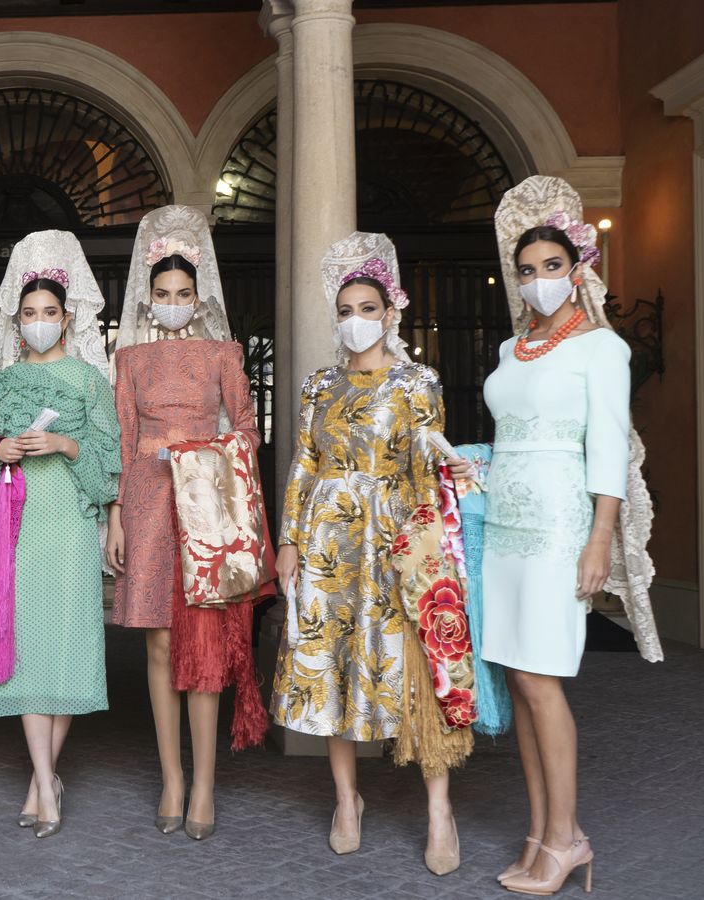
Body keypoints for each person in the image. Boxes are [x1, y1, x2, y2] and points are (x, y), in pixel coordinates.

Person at [476, 176, 662, 895]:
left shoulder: (601, 350)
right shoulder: (507, 348)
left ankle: (567, 837)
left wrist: (599, 540)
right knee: (518, 677)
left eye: (552, 267)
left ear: (578, 270)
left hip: (559, 525)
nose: (539, 280)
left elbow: (609, 448)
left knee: (542, 677)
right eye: (527, 270)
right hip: (504, 524)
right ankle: (538, 833)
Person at [270, 231, 464, 874]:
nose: (356, 322)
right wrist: (289, 540)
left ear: (392, 313)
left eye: (368, 309)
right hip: (327, 540)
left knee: (412, 668)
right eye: (346, 311)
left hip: (394, 539)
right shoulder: (319, 385)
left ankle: (440, 810)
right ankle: (346, 800)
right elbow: (303, 463)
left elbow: (427, 464)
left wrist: (428, 540)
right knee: (332, 661)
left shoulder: (418, 383)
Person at [106, 205, 272, 840]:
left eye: (182, 294)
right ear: (148, 301)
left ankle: (203, 783)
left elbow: (250, 432)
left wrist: (198, 452)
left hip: (205, 505)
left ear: (199, 299)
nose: (172, 302)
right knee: (156, 642)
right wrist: (118, 516)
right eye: (162, 294)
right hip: (147, 502)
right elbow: (123, 439)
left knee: (201, 644)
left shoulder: (224, 354)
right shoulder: (131, 361)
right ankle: (170, 777)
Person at [0, 229, 120, 838]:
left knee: (67, 647)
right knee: (28, 650)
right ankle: (45, 779)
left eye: (49, 313)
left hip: (71, 522)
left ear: (66, 318)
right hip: (18, 526)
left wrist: (64, 442)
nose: (38, 321)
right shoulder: (1, 383)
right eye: (29, 313)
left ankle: (43, 778)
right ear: (19, 319)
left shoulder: (90, 380)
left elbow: (111, 458)